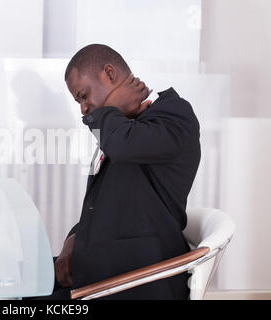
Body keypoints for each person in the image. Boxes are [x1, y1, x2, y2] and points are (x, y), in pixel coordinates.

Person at [48, 44, 201, 300]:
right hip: (101, 268)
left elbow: (122, 145)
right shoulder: (122, 126)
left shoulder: (174, 114)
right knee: (14, 282)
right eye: (79, 101)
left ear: (109, 73)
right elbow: (107, 205)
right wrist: (72, 240)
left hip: (132, 283)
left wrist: (111, 109)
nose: (83, 109)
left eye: (83, 96)